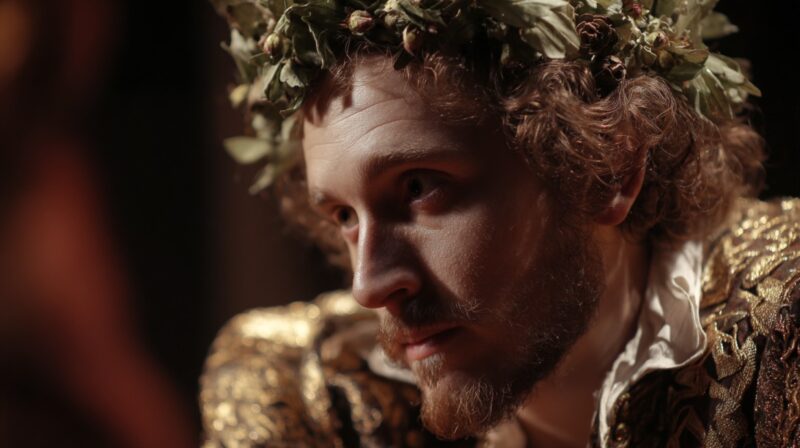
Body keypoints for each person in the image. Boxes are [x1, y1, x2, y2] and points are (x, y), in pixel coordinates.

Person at [202, 0, 799, 446]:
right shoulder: (310, 397)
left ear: (608, 168)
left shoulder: (785, 322)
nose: (369, 285)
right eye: (343, 216)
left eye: (418, 188)